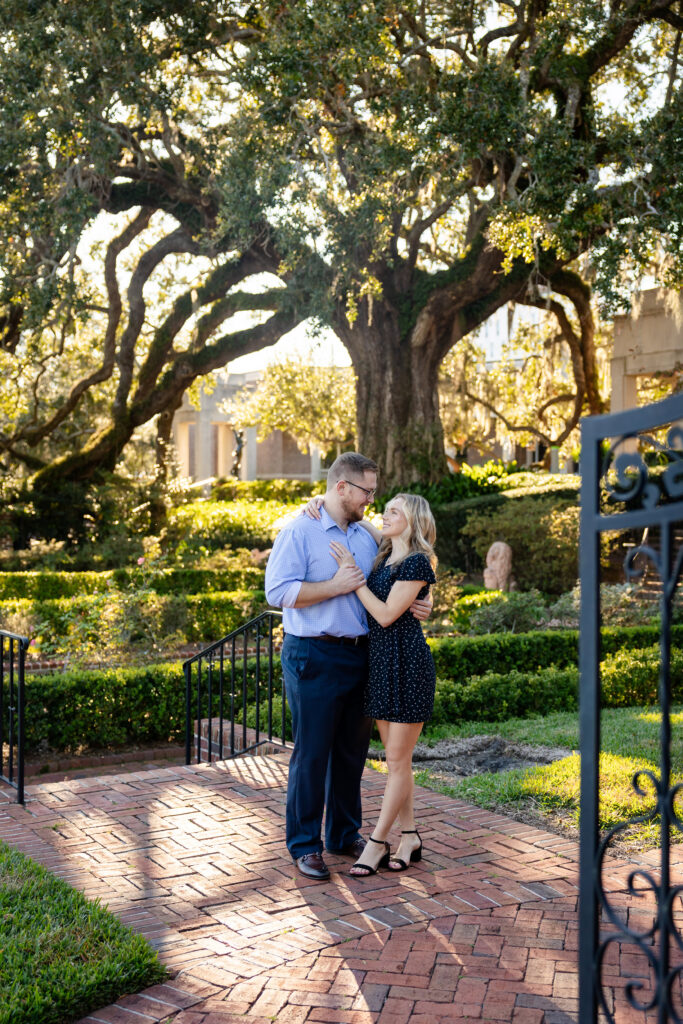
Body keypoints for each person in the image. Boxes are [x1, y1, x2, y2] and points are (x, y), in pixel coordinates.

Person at [265, 453, 431, 881]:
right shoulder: (299, 530)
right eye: (366, 491)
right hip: (313, 654)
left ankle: (343, 834)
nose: (371, 499)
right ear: (342, 487)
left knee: (350, 754)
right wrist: (332, 587)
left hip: (362, 656)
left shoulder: (366, 536)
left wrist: (424, 600)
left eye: (375, 492)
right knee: (312, 752)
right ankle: (304, 845)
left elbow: (410, 559)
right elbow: (277, 591)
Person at [322, 493, 437, 876]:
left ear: (413, 519)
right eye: (384, 509)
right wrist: (315, 506)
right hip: (382, 667)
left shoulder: (417, 561)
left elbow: (387, 615)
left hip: (408, 667)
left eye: (393, 511)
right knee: (396, 762)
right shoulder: (384, 555)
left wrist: (353, 579)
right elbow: (364, 523)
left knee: (397, 761)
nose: (384, 515)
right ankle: (411, 836)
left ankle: (376, 842)